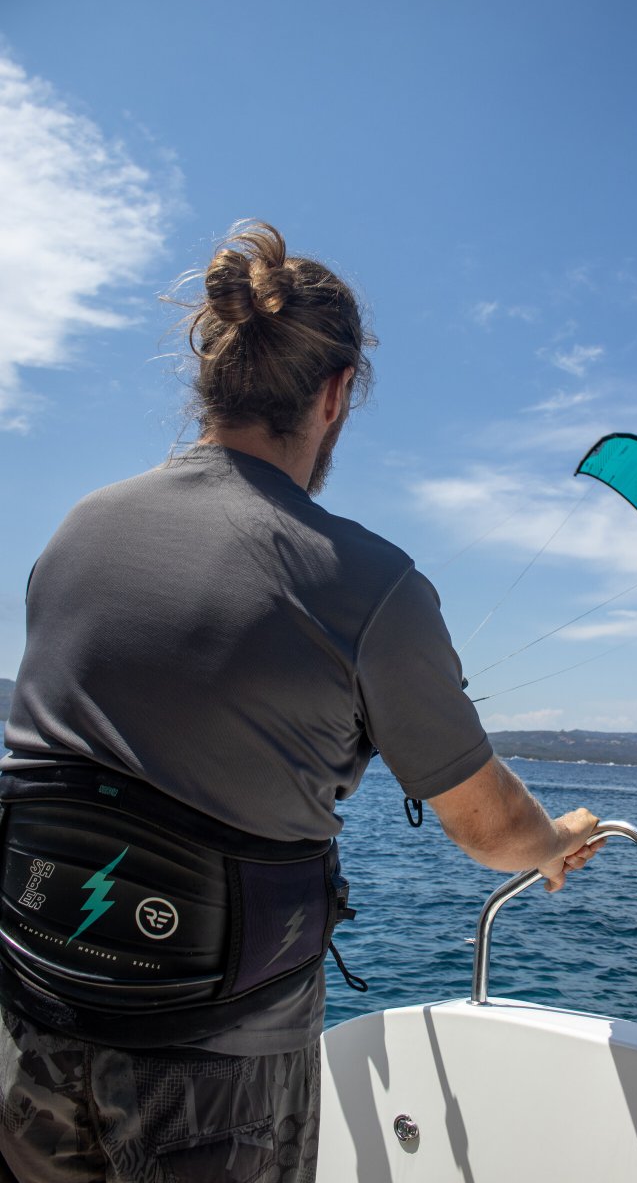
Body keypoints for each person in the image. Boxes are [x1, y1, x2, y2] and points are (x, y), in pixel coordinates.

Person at [0, 221, 601, 1183]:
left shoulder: (75, 533)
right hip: (217, 1062)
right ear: (334, 394)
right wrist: (555, 837)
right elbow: (487, 826)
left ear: (213, 375)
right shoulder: (370, 583)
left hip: (37, 1006)